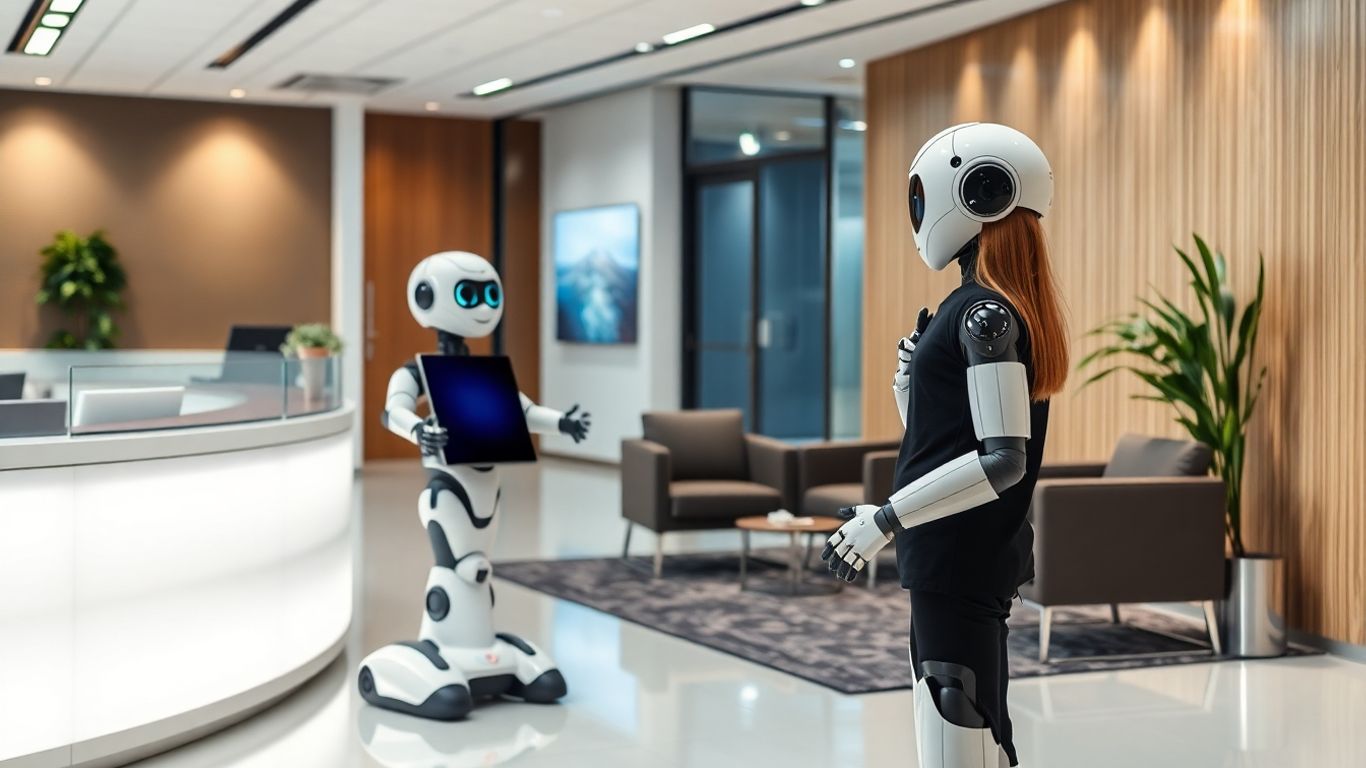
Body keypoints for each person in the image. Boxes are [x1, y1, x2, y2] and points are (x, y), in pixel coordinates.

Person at [821, 123, 1069, 767]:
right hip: (953, 554)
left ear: (974, 192)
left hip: (961, 554)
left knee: (961, 723)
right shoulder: (978, 307)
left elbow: (1002, 459)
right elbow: (944, 440)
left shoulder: (986, 313)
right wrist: (915, 387)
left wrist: (885, 519)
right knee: (963, 719)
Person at [357, 251, 591, 721]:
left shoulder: (486, 374)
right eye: (468, 294)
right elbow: (392, 410)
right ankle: (444, 645)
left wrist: (561, 422)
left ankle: (479, 645)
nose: (482, 307)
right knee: (459, 563)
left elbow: (523, 411)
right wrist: (419, 430)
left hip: (488, 480)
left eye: (488, 294)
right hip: (447, 483)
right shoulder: (419, 370)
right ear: (426, 297)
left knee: (479, 559)